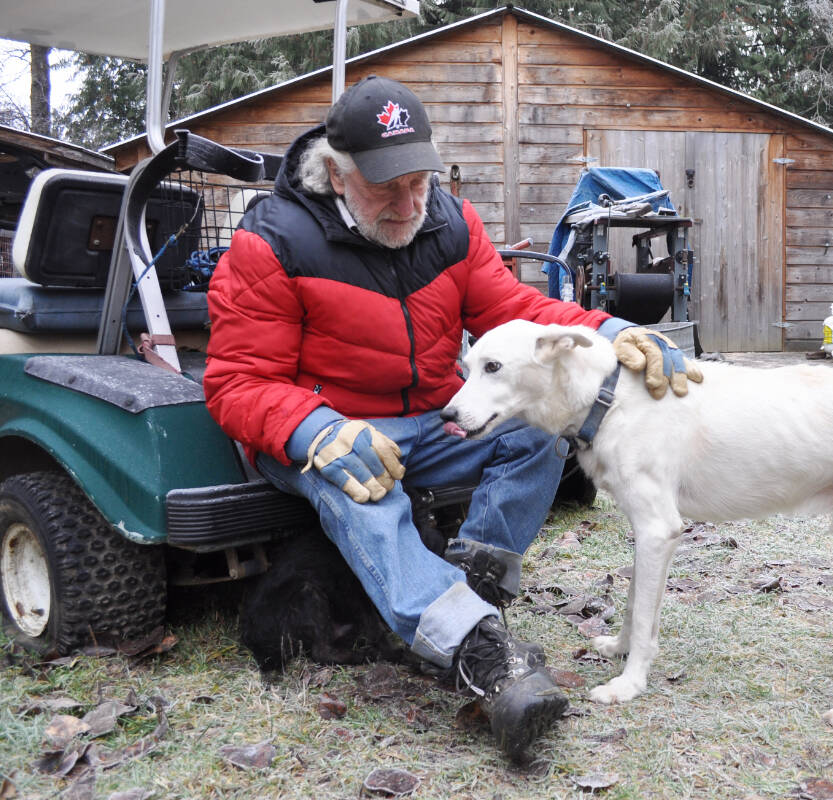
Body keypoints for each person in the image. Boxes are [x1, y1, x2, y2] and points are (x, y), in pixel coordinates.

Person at [203, 75, 701, 760]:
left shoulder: (449, 222)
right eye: (386, 187)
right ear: (335, 172)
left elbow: (514, 315)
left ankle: (472, 585)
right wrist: (316, 430)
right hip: (326, 429)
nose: (410, 203)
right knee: (364, 485)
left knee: (538, 431)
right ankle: (480, 654)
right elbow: (237, 381)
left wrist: (607, 330)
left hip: (431, 418)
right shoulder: (272, 243)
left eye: (420, 180)